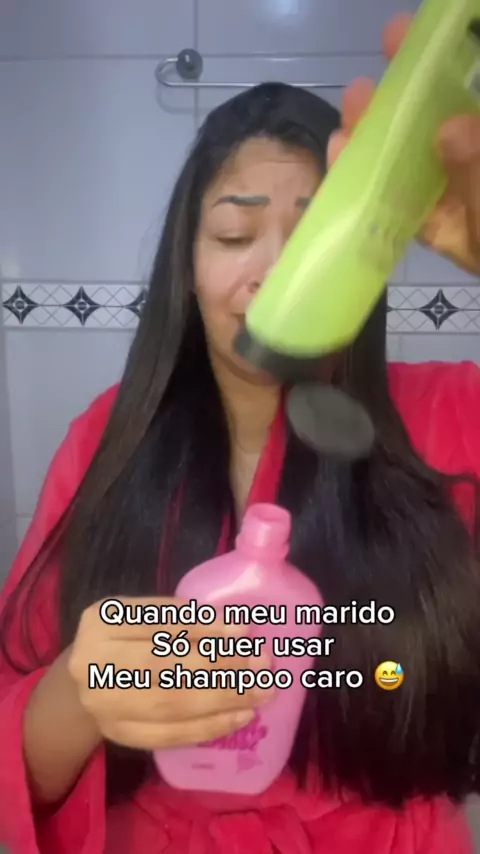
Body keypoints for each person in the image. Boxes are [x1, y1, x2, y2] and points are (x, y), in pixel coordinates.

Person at [1, 14, 480, 854]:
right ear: (187, 268)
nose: (275, 269)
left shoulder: (450, 414)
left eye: (316, 234)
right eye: (234, 233)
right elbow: (23, 756)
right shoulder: (108, 438)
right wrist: (82, 691)